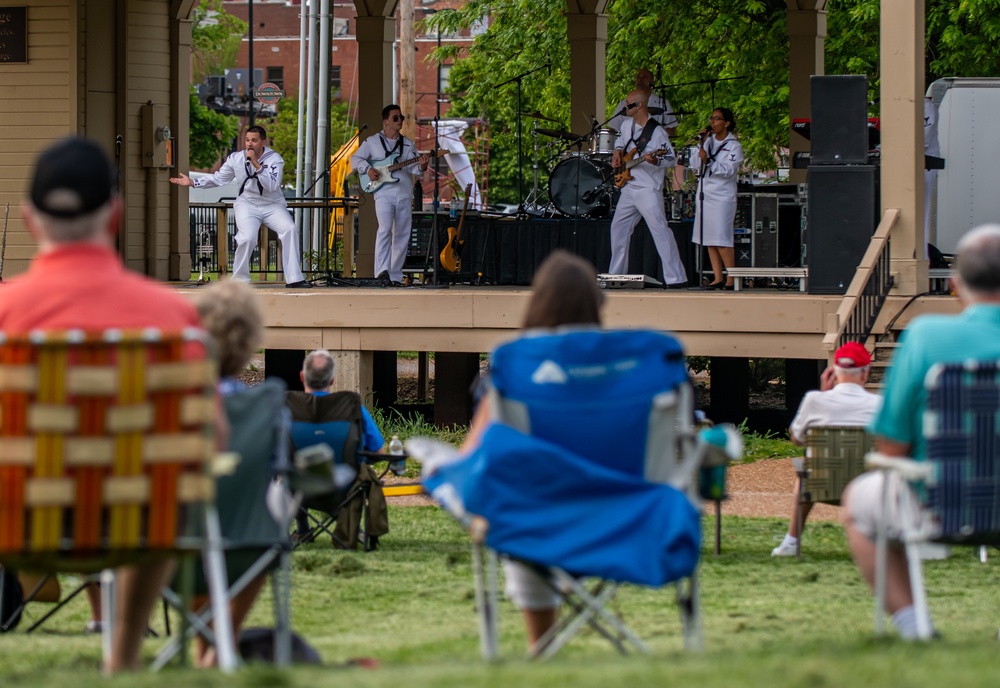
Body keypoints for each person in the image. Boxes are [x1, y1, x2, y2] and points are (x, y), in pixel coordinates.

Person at [1, 136, 212, 672]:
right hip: (140, 523)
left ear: (29, 219)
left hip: (15, 519)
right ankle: (122, 655)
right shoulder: (169, 319)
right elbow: (215, 439)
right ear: (115, 215)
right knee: (155, 481)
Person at [843, 224, 1000, 639]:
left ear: (954, 285)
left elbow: (890, 445)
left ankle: (914, 627)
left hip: (940, 505)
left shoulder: (926, 336)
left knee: (859, 503)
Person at [462, 250, 605, 648]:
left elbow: (478, 452)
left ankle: (539, 649)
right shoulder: (634, 373)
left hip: (534, 519)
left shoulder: (513, 370)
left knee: (515, 502)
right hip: (622, 519)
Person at [192, 279, 274, 667]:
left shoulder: (171, 401)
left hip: (169, 540)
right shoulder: (265, 407)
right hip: (246, 541)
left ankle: (203, 644)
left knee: (192, 538)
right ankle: (225, 640)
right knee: (259, 541)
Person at [770, 342, 881, 556]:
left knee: (804, 475)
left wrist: (822, 395)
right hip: (867, 487)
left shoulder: (815, 400)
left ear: (834, 372)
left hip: (821, 485)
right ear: (865, 372)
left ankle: (791, 541)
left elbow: (797, 439)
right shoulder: (879, 404)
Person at [170, 126, 311, 288]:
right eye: (247, 140)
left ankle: (294, 278)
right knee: (247, 238)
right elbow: (219, 178)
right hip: (247, 204)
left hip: (272, 204)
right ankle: (239, 280)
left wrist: (257, 165)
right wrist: (193, 182)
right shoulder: (235, 158)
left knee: (290, 229)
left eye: (254, 140)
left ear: (263, 142)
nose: (249, 144)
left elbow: (272, 185)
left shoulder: (275, 159)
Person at [289, 349, 386, 541]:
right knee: (361, 473)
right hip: (345, 487)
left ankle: (302, 529)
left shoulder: (287, 408)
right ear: (332, 380)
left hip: (297, 486)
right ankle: (353, 527)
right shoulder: (352, 407)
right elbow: (379, 452)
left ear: (302, 376)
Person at [607, 90, 688, 289]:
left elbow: (670, 159)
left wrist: (656, 159)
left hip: (648, 188)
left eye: (629, 105)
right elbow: (620, 143)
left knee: (660, 230)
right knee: (618, 228)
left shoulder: (658, 131)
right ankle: (615, 275)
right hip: (629, 186)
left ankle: (676, 278)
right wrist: (617, 152)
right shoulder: (626, 126)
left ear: (639, 106)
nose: (625, 108)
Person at [350, 105, 430, 284]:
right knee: (385, 230)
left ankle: (394, 276)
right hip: (383, 194)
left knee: (402, 234)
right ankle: (381, 272)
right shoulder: (372, 141)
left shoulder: (408, 144)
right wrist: (368, 169)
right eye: (395, 118)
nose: (400, 120)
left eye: (401, 117)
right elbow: (355, 159)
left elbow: (415, 169)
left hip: (404, 194)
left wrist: (422, 167)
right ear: (386, 121)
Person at [691, 108, 744, 289]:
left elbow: (728, 171)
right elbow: (693, 164)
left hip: (722, 196)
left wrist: (709, 161)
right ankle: (717, 277)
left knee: (722, 238)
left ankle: (732, 278)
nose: (712, 122)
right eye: (711, 118)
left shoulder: (734, 146)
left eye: (716, 119)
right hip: (705, 193)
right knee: (709, 239)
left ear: (726, 123)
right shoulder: (707, 141)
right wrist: (700, 145)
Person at [609, 68, 679, 137]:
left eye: (644, 77)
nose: (640, 80)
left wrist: (658, 136)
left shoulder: (663, 104)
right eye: (638, 77)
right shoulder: (624, 104)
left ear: (653, 82)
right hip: (628, 147)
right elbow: (614, 128)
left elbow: (671, 129)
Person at [923, 96, 940, 257]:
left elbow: (925, 136)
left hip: (924, 163)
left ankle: (923, 254)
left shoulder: (926, 106)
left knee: (922, 209)